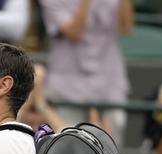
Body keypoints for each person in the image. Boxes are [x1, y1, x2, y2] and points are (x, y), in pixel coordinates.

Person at [38, 0, 134, 145]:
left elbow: (126, 27)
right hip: (68, 87)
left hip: (109, 82)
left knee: (112, 152)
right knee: (69, 146)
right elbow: (75, 32)